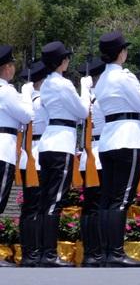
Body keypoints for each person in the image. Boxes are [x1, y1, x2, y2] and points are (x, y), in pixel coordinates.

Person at [93, 31, 140, 267]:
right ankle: (116, 253)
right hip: (127, 139)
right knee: (121, 200)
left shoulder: (102, 80)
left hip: (108, 140)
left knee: (108, 199)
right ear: (121, 53)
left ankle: (107, 252)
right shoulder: (124, 77)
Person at [37, 41, 88, 266]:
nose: (68, 61)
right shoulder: (64, 84)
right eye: (66, 58)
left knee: (45, 200)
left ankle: (42, 251)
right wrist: (85, 91)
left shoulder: (46, 84)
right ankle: (49, 254)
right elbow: (82, 111)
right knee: (55, 201)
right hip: (62, 144)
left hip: (48, 143)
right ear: (61, 61)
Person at [0, 46, 33, 267]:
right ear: (6, 68)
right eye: (12, 65)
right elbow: (27, 115)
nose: (13, 69)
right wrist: (27, 95)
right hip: (3, 148)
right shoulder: (6, 91)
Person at [17, 60, 48, 267]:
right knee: (36, 207)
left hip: (27, 155)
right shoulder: (42, 101)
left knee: (29, 207)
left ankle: (29, 251)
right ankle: (34, 251)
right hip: (38, 154)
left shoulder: (26, 99)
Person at [76, 59, 106, 268]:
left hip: (88, 156)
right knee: (97, 206)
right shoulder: (103, 96)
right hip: (100, 154)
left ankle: (90, 251)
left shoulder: (85, 97)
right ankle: (97, 250)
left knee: (89, 207)